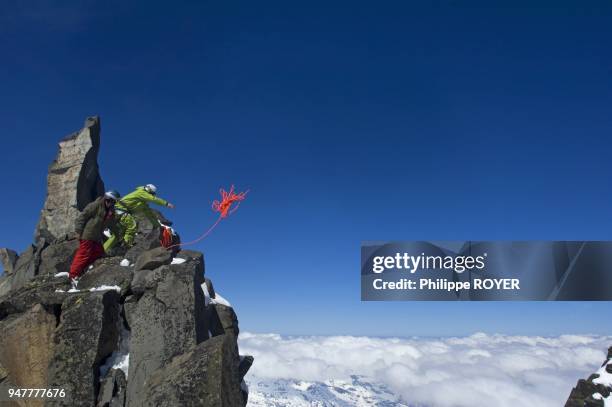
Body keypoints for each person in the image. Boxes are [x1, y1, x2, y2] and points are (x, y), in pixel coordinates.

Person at [69, 190, 121, 287]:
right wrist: (78, 231)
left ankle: (83, 270)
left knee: (99, 253)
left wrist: (118, 235)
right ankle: (73, 276)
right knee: (83, 255)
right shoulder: (95, 205)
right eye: (111, 201)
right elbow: (82, 217)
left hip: (97, 238)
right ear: (106, 199)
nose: (112, 203)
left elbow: (112, 224)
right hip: (87, 235)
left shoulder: (111, 211)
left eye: (114, 202)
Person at [103, 184, 175, 252]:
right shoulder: (141, 192)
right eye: (151, 193)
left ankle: (103, 250)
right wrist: (166, 203)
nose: (151, 195)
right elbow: (153, 199)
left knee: (118, 234)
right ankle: (125, 246)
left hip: (119, 212)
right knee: (132, 226)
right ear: (148, 191)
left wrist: (158, 226)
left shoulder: (143, 204)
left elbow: (150, 215)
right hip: (120, 211)